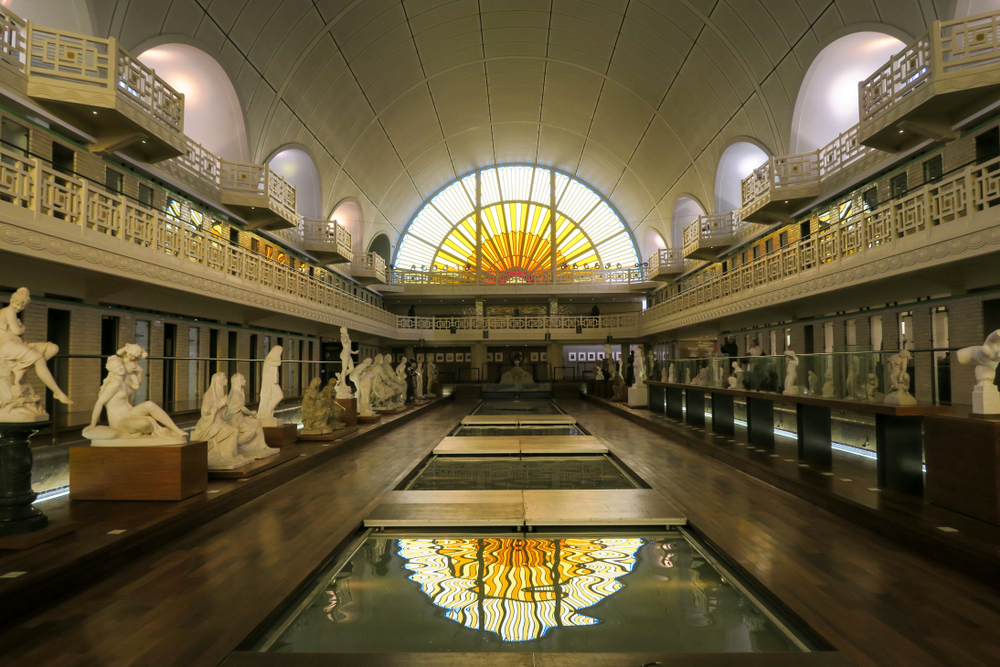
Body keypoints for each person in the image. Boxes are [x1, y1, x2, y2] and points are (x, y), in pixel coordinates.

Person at [0, 287, 71, 405]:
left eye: (22, 306)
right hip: (5, 347)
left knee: (52, 348)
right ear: (12, 301)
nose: (19, 307)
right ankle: (57, 392)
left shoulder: (10, 313)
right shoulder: (9, 311)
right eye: (17, 304)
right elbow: (17, 331)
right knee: (38, 358)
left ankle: (20, 370)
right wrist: (22, 327)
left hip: (16, 344)